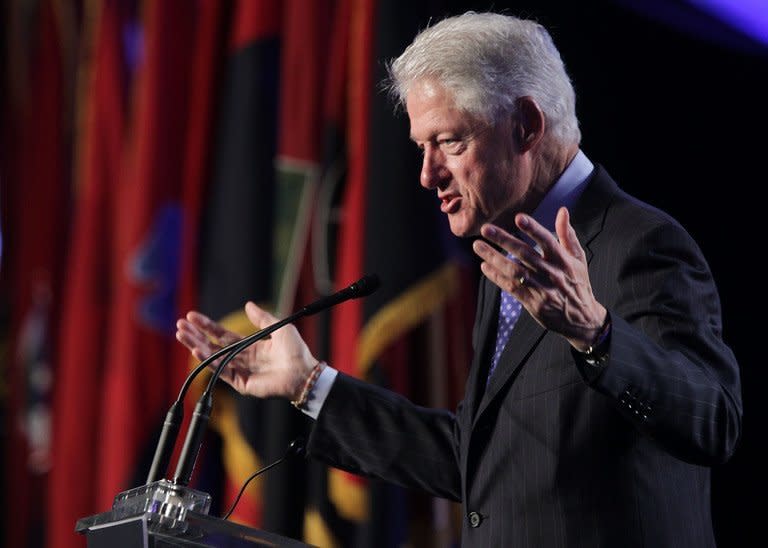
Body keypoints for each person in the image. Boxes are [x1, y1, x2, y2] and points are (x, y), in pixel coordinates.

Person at [176, 12, 742, 547]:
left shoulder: (639, 244)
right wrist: (310, 385)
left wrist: (597, 335)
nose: (427, 175)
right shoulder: (510, 258)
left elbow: (712, 421)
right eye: (422, 148)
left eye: (449, 142)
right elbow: (474, 461)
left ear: (525, 125)